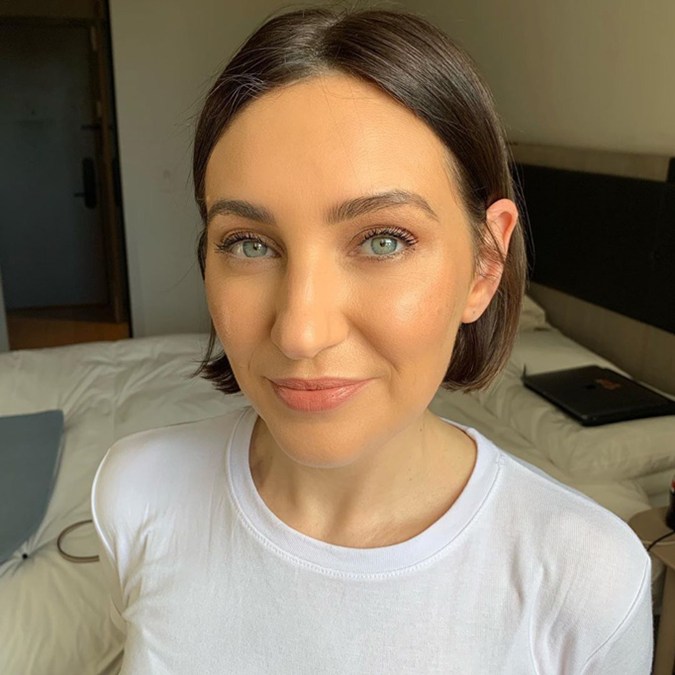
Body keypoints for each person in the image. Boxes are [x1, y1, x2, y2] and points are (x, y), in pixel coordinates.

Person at [91, 7, 653, 674]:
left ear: (484, 263)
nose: (300, 333)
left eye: (383, 240)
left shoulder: (586, 578)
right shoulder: (135, 493)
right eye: (249, 243)